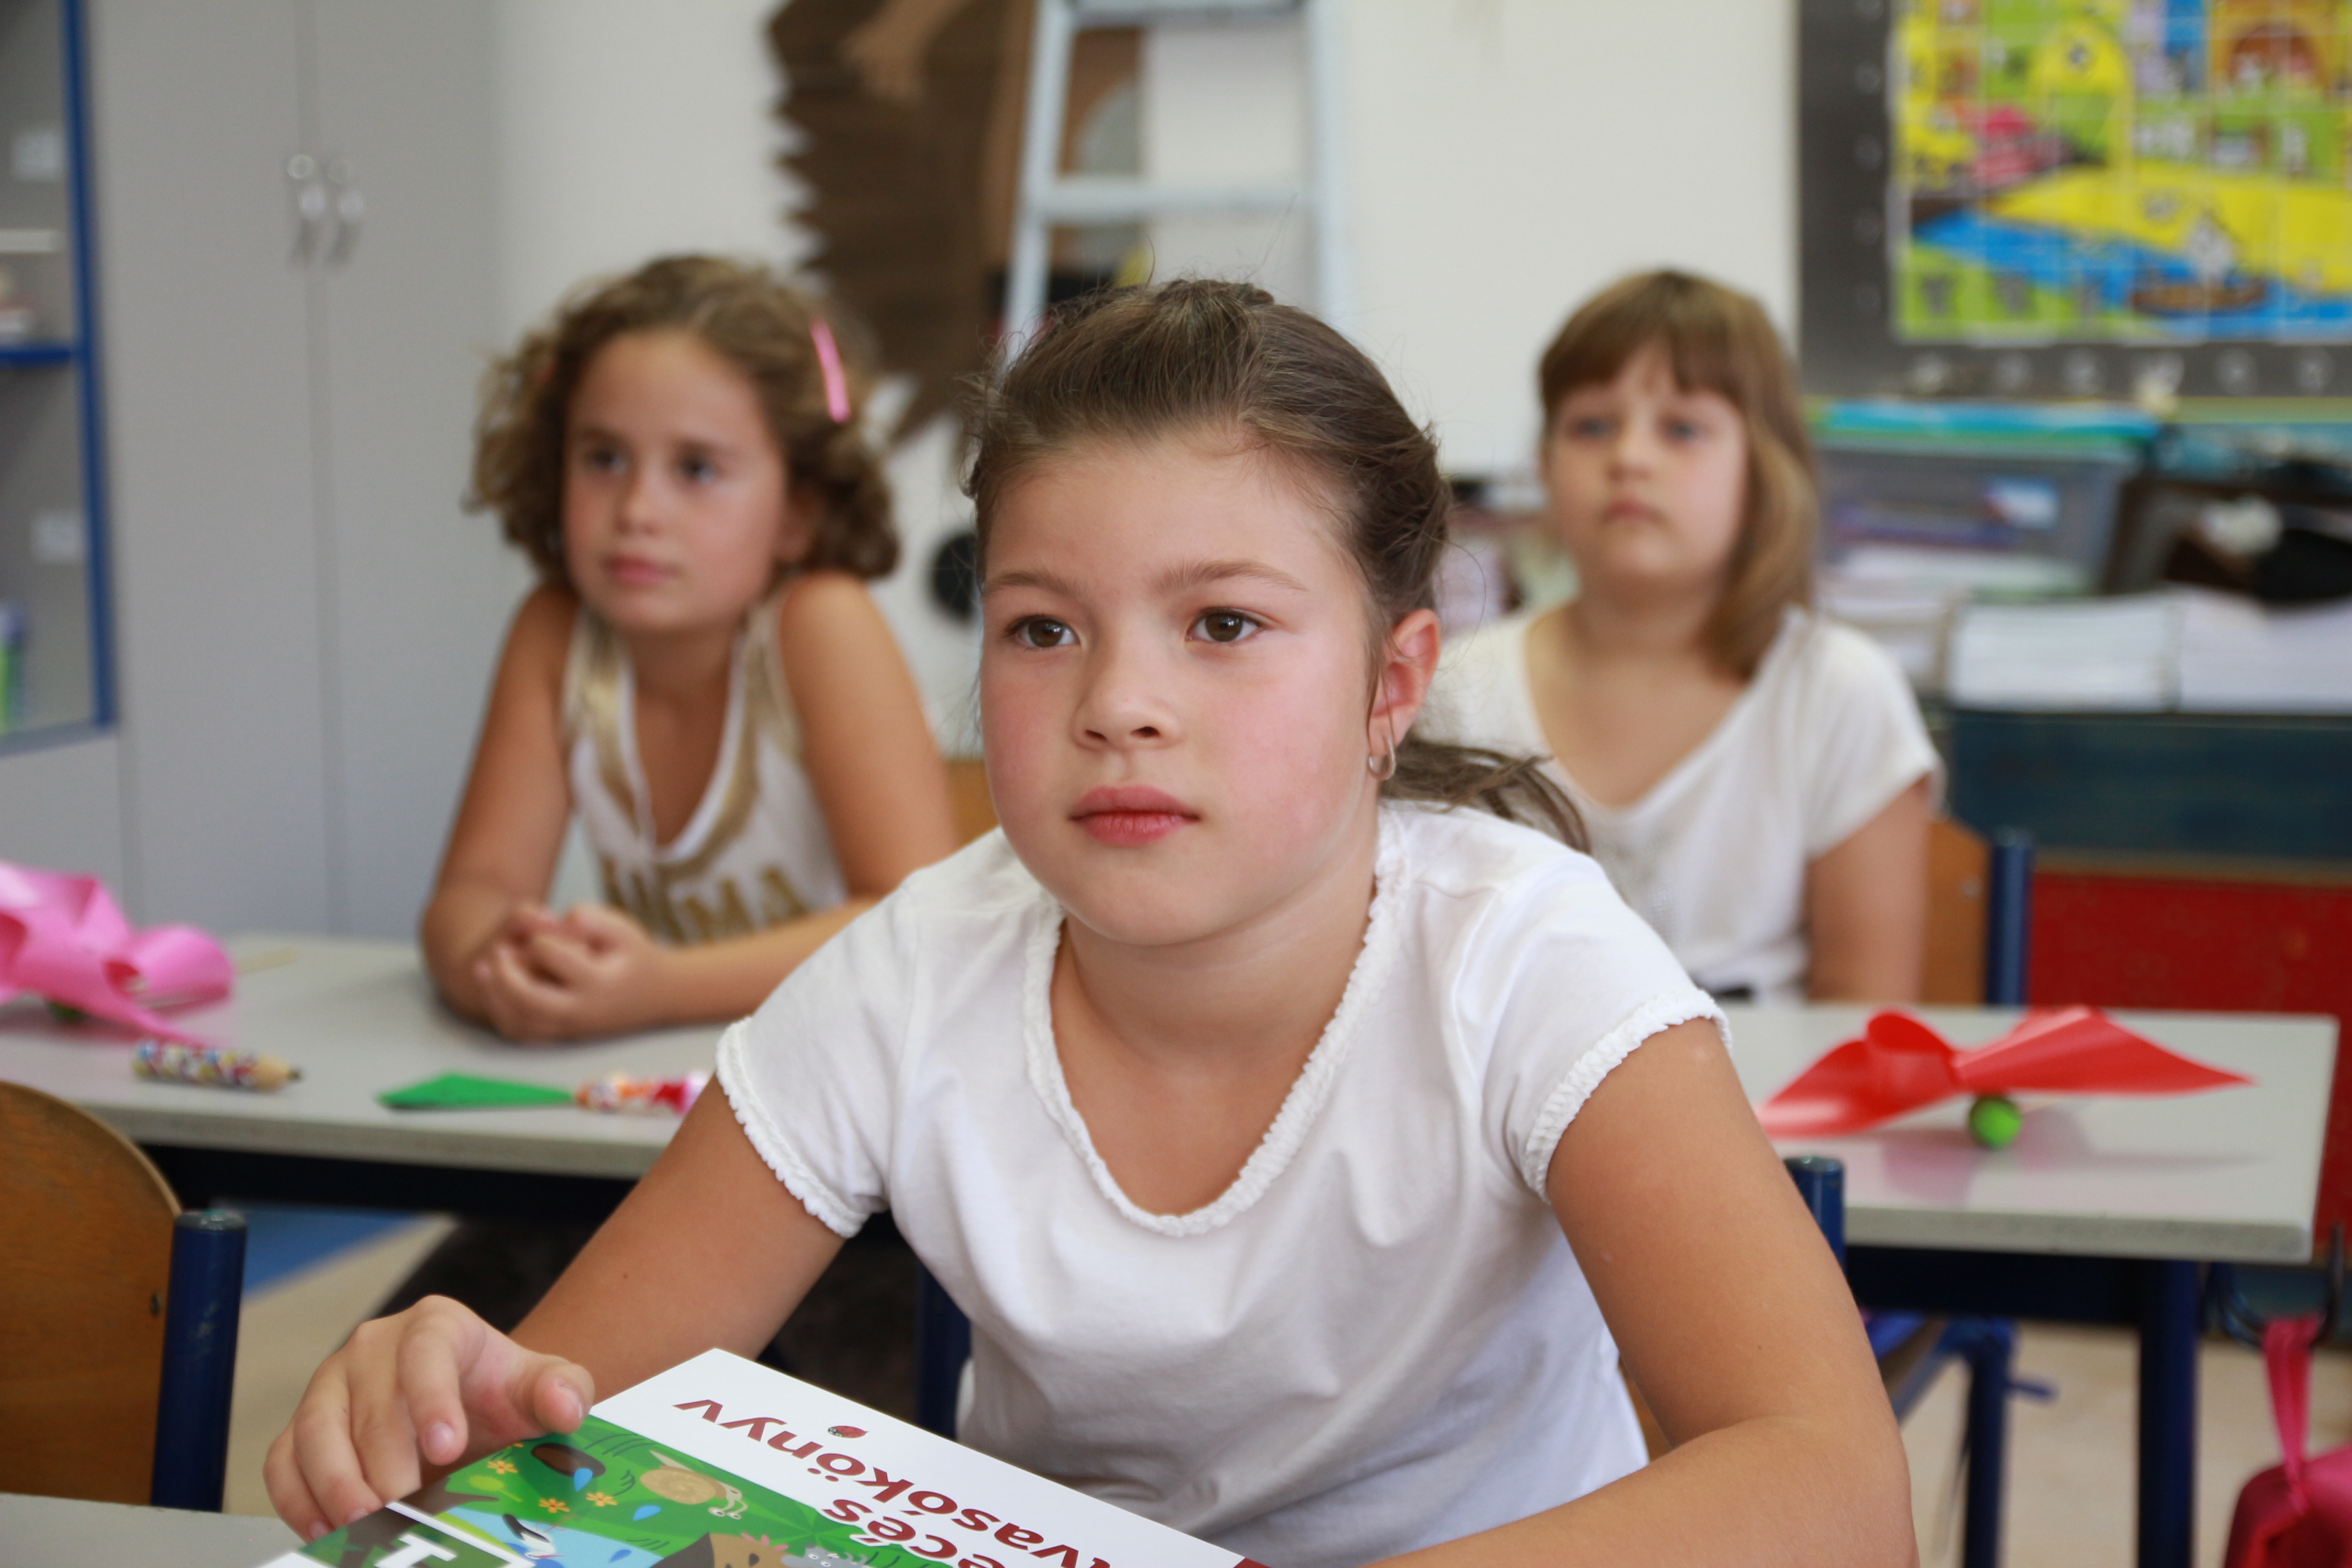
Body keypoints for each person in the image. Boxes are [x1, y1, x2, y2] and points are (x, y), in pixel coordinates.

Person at [270, 281, 1910, 1567]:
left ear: (1391, 683)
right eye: (1043, 627)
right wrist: (448, 1400)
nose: (1119, 703)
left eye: (1223, 624)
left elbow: (1836, 1496)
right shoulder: (914, 970)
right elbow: (555, 1430)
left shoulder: (1525, 960)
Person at [423, 255, 958, 1041]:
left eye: (697, 469)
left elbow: (913, 924)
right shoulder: (555, 632)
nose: (637, 509)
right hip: (667, 1074)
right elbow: (473, 891)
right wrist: (507, 970)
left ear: (798, 512)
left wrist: (662, 989)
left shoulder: (823, 625)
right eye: (604, 458)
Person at [1425, 270, 1937, 1002]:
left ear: (1763, 469)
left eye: (1682, 429)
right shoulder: (1453, 692)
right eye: (1592, 426)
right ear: (1545, 464)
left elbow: (1864, 1009)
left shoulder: (1838, 691)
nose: (1630, 458)